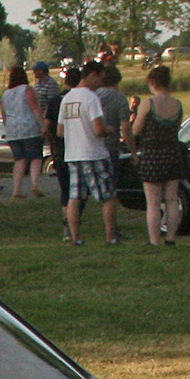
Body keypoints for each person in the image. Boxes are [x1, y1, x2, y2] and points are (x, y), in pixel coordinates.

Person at [60, 60, 120, 245]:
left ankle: (76, 237)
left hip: (72, 153)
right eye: (100, 79)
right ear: (92, 74)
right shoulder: (91, 98)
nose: (101, 83)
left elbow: (60, 131)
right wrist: (109, 129)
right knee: (108, 197)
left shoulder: (67, 98)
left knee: (75, 197)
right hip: (93, 153)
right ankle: (111, 237)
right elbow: (98, 129)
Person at [128, 64, 186, 246]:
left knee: (153, 203)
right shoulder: (177, 104)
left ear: (152, 82)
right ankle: (171, 238)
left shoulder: (149, 104)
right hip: (172, 153)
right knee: (171, 199)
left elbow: (136, 130)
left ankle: (155, 240)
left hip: (152, 154)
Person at [0, 66, 45, 199]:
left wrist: (7, 128)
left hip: (12, 130)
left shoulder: (5, 94)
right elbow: (35, 108)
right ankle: (35, 184)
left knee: (19, 160)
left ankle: (16, 190)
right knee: (35, 157)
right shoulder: (27, 90)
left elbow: (4, 115)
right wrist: (42, 125)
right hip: (29, 127)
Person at [34, 61, 68, 208]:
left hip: (50, 119)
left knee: (53, 143)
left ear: (43, 71)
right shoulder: (38, 84)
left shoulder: (51, 84)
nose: (35, 73)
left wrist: (47, 118)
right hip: (40, 117)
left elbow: (53, 103)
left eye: (37, 70)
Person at [95, 60, 130, 171]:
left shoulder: (92, 96)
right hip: (110, 148)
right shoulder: (120, 98)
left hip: (92, 148)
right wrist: (132, 151)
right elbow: (125, 127)